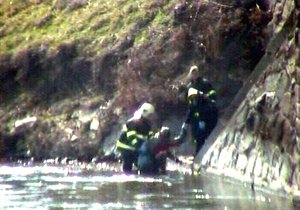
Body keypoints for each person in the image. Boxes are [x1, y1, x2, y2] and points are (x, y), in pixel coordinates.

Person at [177, 65, 218, 157]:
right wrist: (186, 123)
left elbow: (198, 105)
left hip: (208, 114)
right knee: (197, 136)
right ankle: (199, 155)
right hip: (201, 116)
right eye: (192, 73)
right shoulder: (191, 87)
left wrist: (202, 120)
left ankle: (200, 155)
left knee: (201, 136)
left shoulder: (202, 85)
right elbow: (192, 108)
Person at [116, 102, 156, 173]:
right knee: (128, 166)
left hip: (135, 148)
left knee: (141, 165)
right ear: (145, 113)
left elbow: (150, 137)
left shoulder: (147, 125)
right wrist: (140, 147)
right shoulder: (133, 122)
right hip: (125, 148)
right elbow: (131, 137)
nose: (151, 117)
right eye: (150, 115)